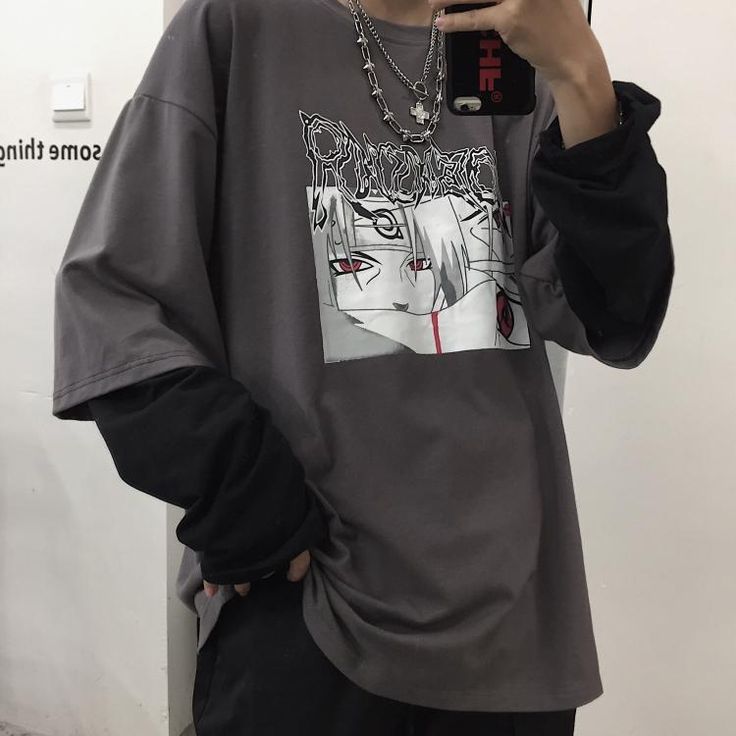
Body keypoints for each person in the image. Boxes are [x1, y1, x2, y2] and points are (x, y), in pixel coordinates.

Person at [51, 0, 675, 733]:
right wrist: (244, 493)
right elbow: (113, 301)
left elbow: (617, 317)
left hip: (512, 628)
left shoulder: (519, 49)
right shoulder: (239, 24)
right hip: (308, 607)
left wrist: (580, 74)